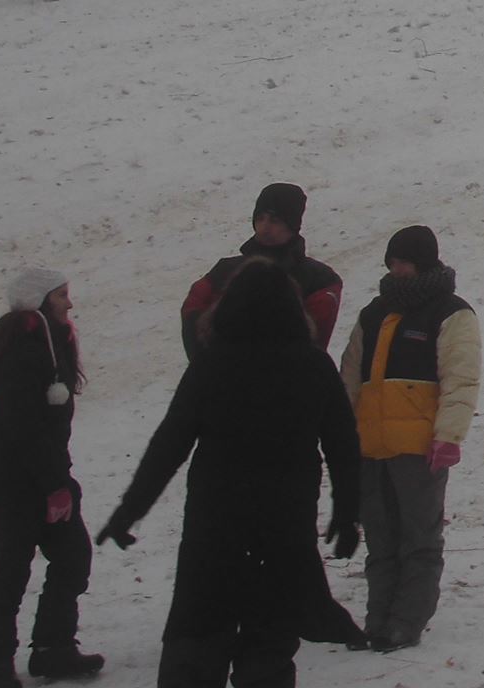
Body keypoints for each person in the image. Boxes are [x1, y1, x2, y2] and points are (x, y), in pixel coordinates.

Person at [95, 259, 365, 686]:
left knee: (196, 644)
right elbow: (344, 447)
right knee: (269, 648)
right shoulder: (313, 367)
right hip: (283, 531)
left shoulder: (212, 365)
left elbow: (169, 445)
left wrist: (129, 510)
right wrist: (348, 514)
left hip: (214, 530)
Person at [339, 226, 482, 652]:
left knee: (418, 536)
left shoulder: (452, 313)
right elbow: (350, 377)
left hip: (419, 447)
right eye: (392, 262)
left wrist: (449, 436)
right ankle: (377, 620)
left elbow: (461, 379)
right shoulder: (373, 313)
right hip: (372, 444)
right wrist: (342, 434)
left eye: (403, 261)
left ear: (423, 262)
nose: (396, 269)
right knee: (380, 538)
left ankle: (407, 620)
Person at [0, 267, 104, 687]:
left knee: (72, 557)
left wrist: (56, 481)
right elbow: (22, 427)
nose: (70, 302)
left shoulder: (46, 341)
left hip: (44, 473)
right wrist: (54, 488)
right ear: (42, 301)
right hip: (15, 483)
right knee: (10, 571)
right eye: (62, 294)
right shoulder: (25, 350)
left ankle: (53, 649)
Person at [181, 183, 343, 356]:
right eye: (260, 218)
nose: (265, 227)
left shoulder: (319, 280)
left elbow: (310, 342)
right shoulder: (224, 269)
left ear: (292, 226)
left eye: (275, 220)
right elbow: (192, 309)